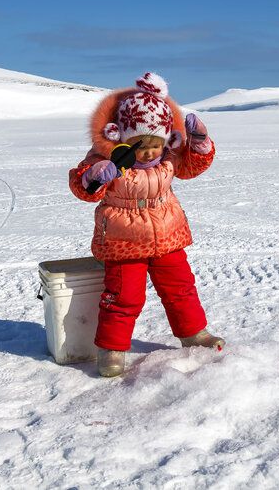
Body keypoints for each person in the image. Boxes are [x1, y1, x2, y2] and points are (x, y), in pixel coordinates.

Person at [68, 72, 224, 377]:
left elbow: (192, 167)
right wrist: (95, 176)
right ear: (123, 137)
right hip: (123, 241)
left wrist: (201, 143)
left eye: (155, 144)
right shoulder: (105, 158)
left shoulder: (167, 158)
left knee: (181, 288)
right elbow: (82, 187)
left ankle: (194, 334)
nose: (149, 152)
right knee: (123, 296)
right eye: (140, 144)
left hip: (167, 235)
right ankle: (111, 349)